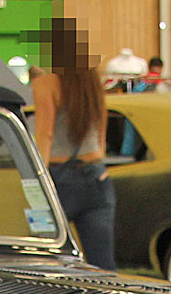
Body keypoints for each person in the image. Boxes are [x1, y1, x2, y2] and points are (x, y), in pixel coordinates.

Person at [32, 17, 116, 270]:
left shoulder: (45, 84)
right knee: (102, 264)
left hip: (58, 179)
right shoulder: (92, 84)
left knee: (45, 259)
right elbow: (100, 134)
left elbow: (44, 134)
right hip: (97, 178)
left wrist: (36, 181)